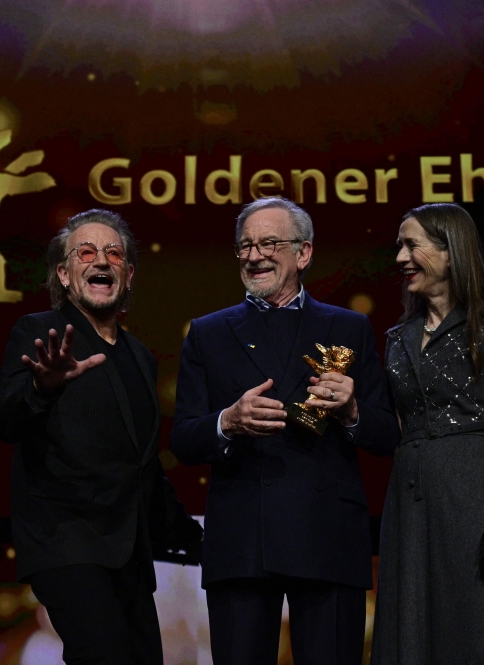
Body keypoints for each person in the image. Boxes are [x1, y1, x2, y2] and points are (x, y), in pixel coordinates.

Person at [171, 198, 400, 665]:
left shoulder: (349, 328)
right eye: (245, 245)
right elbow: (185, 440)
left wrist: (351, 410)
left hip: (327, 539)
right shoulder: (209, 333)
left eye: (269, 243)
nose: (255, 256)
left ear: (304, 253)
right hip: (242, 543)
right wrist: (227, 421)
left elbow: (386, 436)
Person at [0, 209, 202, 665]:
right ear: (64, 275)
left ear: (128, 275)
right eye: (86, 252)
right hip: (67, 543)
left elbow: (142, 465)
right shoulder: (40, 331)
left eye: (114, 253)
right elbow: (5, 420)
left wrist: (197, 539)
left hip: (128, 554)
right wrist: (40, 389)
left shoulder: (141, 357)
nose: (101, 261)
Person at [371, 203, 484, 664]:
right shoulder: (397, 338)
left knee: (481, 627)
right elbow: (396, 427)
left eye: (412, 245)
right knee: (411, 630)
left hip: (471, 498)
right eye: (399, 246)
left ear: (450, 252)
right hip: (409, 501)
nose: (401, 258)